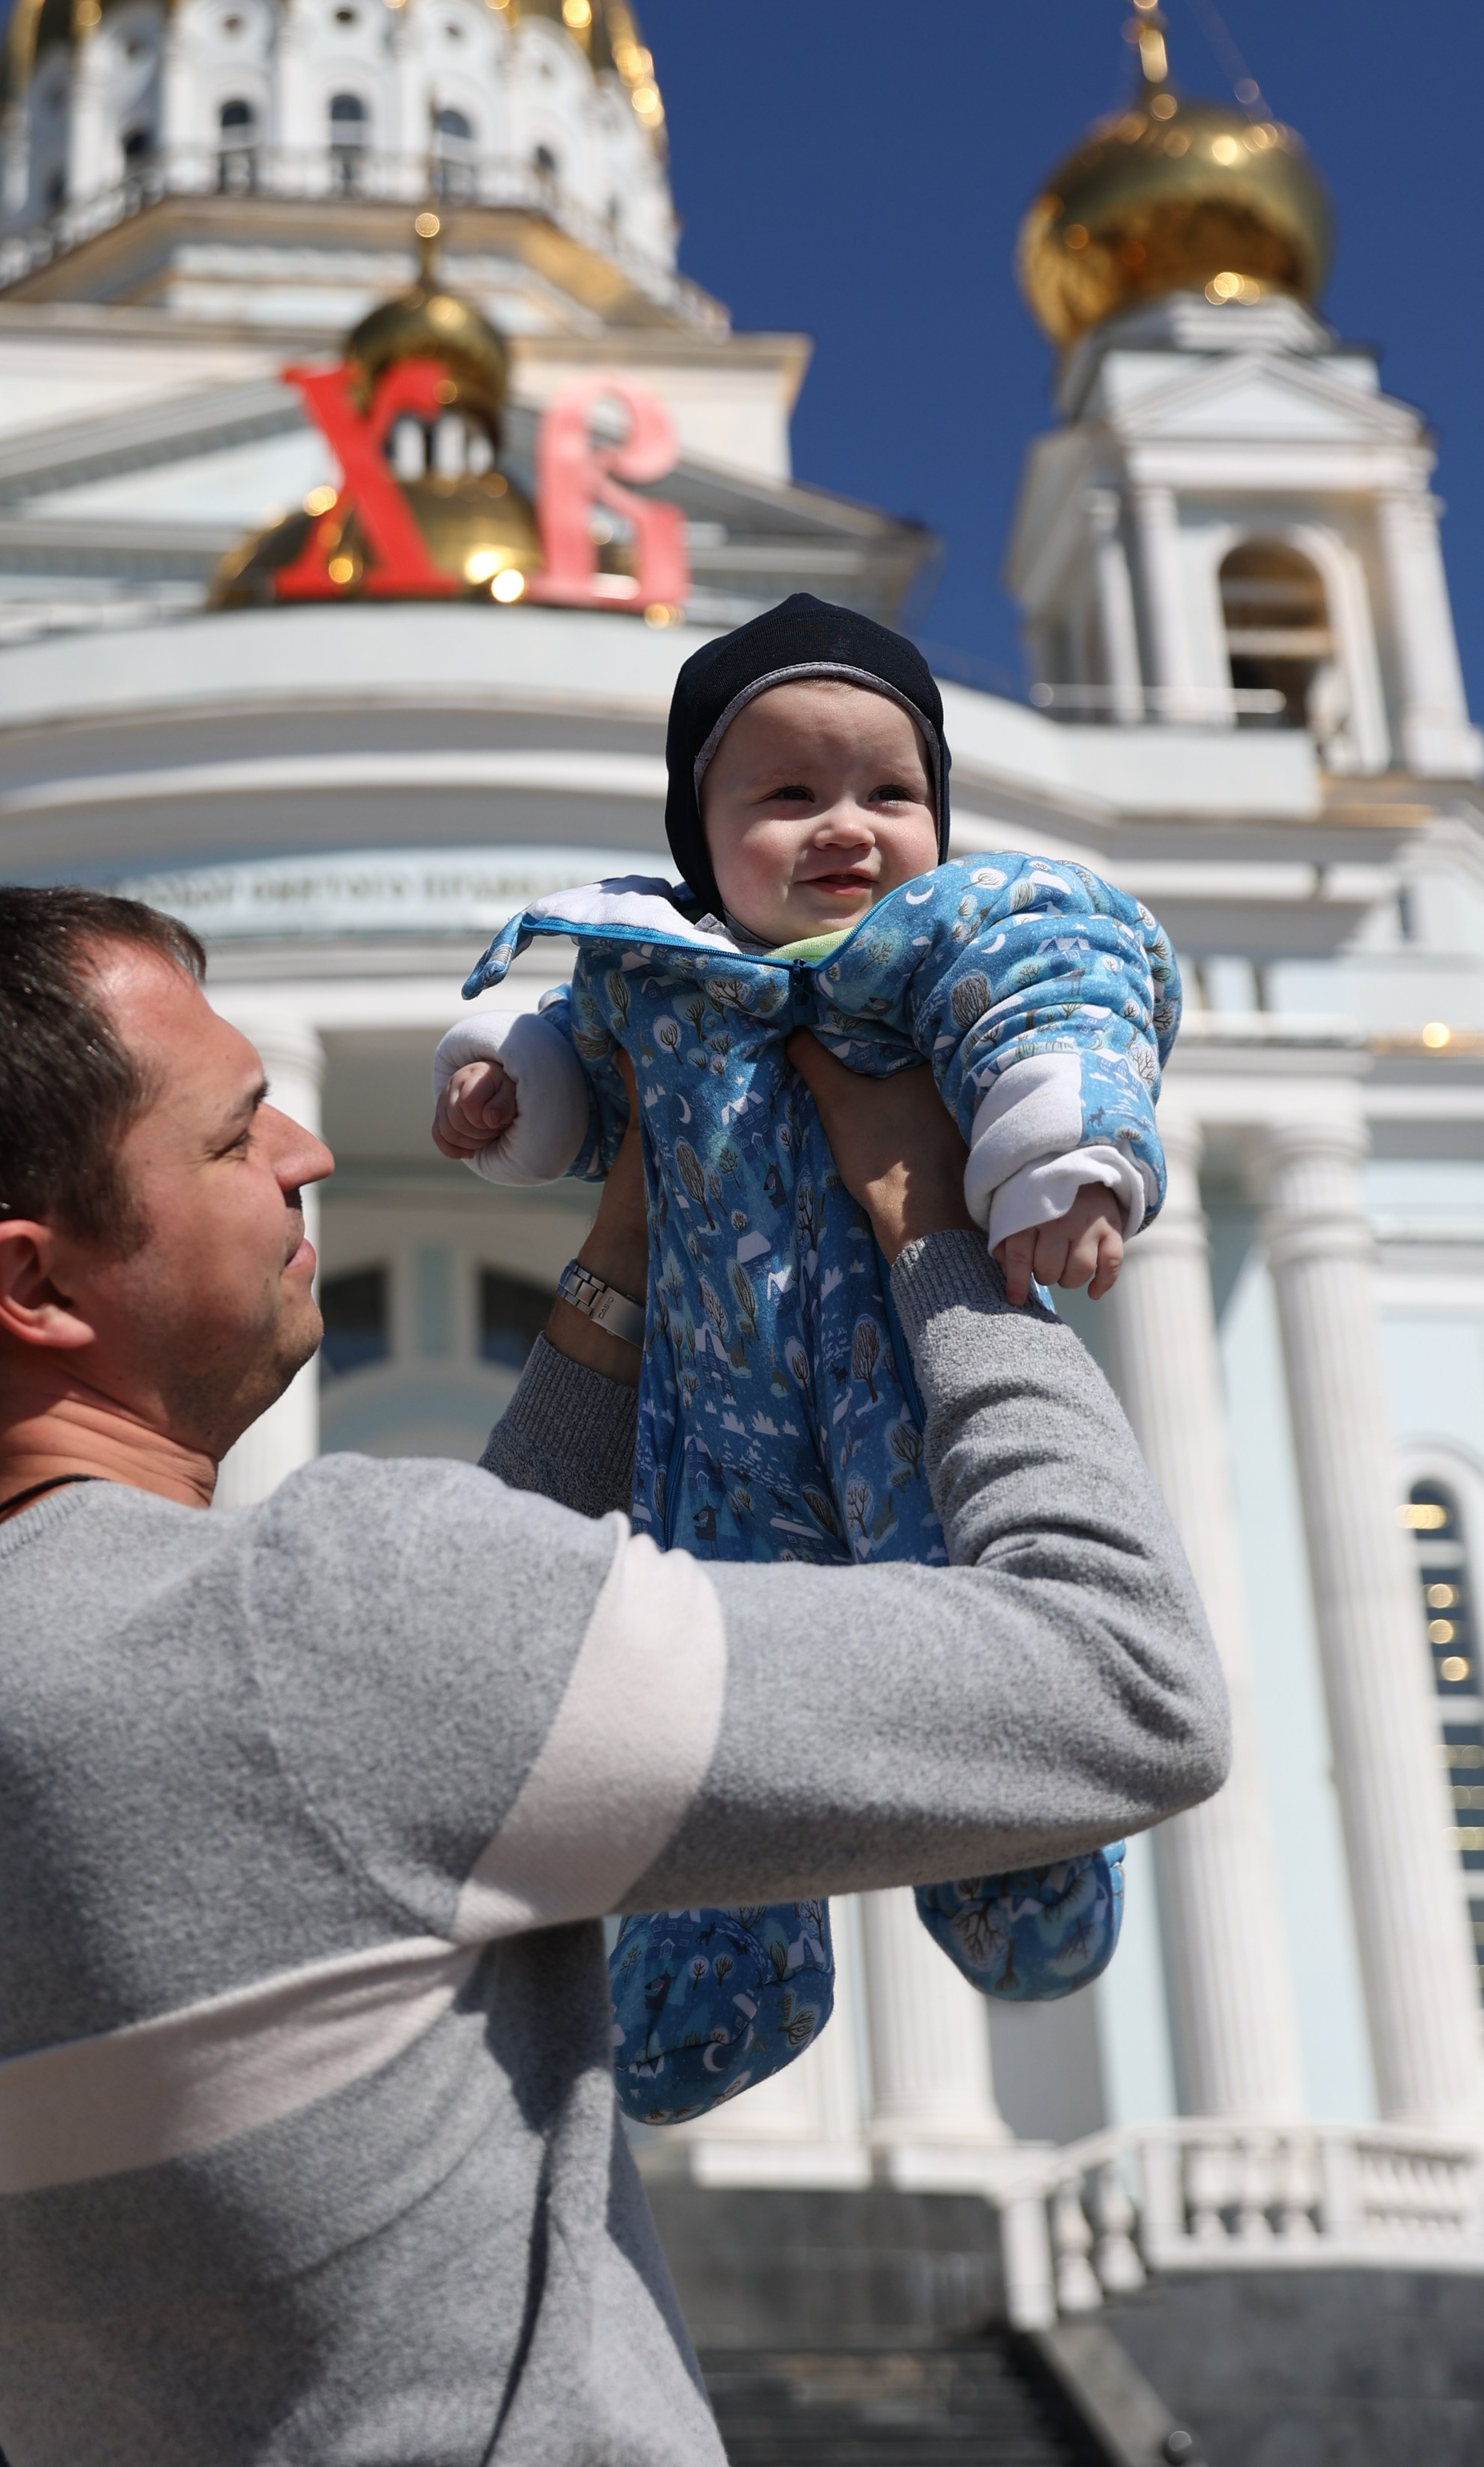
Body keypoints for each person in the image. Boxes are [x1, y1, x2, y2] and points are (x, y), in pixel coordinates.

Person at [0, 882, 1227, 2467]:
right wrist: (938, 1239)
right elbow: (1125, 1684)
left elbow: (398, 1762)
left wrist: (621, 1269)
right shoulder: (326, 1631)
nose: (309, 1154)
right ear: (34, 1285)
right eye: (234, 1138)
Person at [429, 595, 1178, 2116]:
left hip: (907, 1401)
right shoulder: (653, 974)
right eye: (787, 794)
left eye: (889, 791)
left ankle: (1022, 1864)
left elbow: (1068, 1002)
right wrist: (514, 1092)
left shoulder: (955, 936)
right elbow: (576, 1061)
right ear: (699, 843)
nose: (846, 826)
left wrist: (1068, 1157)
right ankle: (712, 1969)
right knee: (695, 1696)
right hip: (711, 1430)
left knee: (970, 1630)